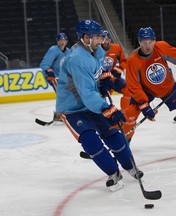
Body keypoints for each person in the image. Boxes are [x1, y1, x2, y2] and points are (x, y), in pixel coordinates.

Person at [56, 20, 143, 191]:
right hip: (72, 109)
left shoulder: (98, 50)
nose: (101, 40)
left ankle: (130, 166)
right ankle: (113, 172)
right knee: (91, 141)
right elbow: (87, 93)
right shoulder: (77, 59)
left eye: (100, 36)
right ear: (86, 38)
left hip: (91, 103)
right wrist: (107, 108)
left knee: (113, 134)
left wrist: (105, 80)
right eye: (97, 37)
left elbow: (99, 71)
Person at [40, 33, 71, 121]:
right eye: (60, 40)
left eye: (64, 40)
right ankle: (59, 114)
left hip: (64, 78)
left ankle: (61, 113)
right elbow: (44, 64)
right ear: (57, 41)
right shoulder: (53, 50)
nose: (62, 42)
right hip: (53, 77)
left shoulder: (69, 51)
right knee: (62, 93)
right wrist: (49, 72)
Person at [100, 30, 131, 110]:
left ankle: (124, 112)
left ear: (110, 40)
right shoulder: (96, 50)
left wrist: (118, 69)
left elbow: (124, 61)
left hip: (113, 78)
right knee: (100, 97)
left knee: (127, 89)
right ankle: (101, 114)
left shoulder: (116, 48)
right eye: (103, 39)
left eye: (107, 39)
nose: (105, 42)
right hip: (100, 80)